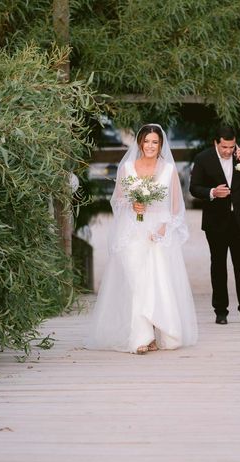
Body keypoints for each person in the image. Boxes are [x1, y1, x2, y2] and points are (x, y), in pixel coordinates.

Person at [86, 124, 198, 354]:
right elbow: (117, 201)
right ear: (139, 144)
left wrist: (165, 228)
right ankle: (142, 338)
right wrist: (132, 204)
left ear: (160, 145)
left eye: (154, 142)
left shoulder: (168, 170)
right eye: (146, 142)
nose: (150, 146)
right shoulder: (127, 168)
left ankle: (164, 331)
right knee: (139, 284)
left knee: (158, 282)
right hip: (133, 232)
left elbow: (177, 208)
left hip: (159, 232)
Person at [189, 126, 240, 325]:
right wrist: (212, 192)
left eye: (231, 146)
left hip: (239, 221)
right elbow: (194, 188)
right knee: (218, 267)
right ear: (216, 143)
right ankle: (221, 312)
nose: (228, 151)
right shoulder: (203, 159)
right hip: (216, 222)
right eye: (224, 147)